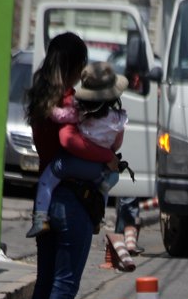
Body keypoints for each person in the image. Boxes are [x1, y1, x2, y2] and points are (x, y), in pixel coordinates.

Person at [25, 33, 120, 299]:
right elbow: (71, 141)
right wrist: (106, 157)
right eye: (80, 65)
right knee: (64, 287)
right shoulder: (67, 100)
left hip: (47, 199)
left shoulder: (40, 99)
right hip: (71, 201)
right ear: (72, 65)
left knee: (46, 285)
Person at [26, 62, 129, 238]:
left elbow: (60, 120)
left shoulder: (78, 112)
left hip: (70, 164)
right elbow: (116, 145)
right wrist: (105, 152)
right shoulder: (118, 120)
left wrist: (49, 107)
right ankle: (98, 218)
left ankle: (40, 218)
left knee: (47, 179)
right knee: (104, 186)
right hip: (98, 170)